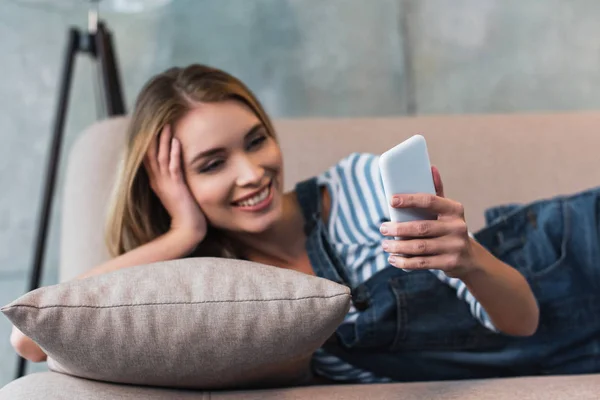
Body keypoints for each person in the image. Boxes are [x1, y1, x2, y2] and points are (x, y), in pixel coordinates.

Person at [11, 64, 600, 383]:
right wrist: (181, 235)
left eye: (256, 141)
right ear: (170, 185)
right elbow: (31, 337)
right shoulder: (212, 289)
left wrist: (467, 260)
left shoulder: (360, 188)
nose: (252, 172)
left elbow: (521, 319)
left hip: (571, 253)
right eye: (213, 164)